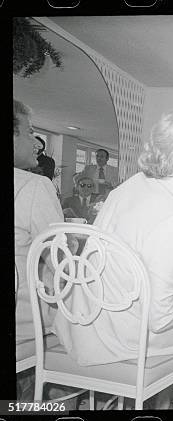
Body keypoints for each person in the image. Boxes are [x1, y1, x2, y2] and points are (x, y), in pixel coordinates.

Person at [54, 104, 173, 375]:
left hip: (82, 323)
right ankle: (154, 398)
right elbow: (161, 319)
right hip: (124, 343)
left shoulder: (132, 185)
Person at [14, 99, 64, 344]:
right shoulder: (33, 185)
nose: (37, 144)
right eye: (30, 132)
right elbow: (60, 260)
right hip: (25, 321)